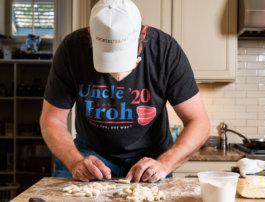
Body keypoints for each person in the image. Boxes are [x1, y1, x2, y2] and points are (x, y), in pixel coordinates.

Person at [40, 0, 210, 183]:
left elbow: (199, 122)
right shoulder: (71, 50)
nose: (117, 74)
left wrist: (165, 164)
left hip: (151, 158)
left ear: (143, 33)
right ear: (91, 35)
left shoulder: (165, 50)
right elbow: (52, 119)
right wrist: (74, 162)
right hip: (91, 154)